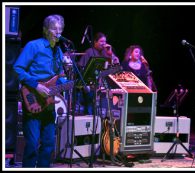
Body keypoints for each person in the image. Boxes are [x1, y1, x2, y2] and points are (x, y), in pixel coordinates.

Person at [13, 14, 68, 167]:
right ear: (45, 30)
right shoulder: (33, 46)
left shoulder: (58, 52)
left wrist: (74, 83)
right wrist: (37, 85)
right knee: (31, 145)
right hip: (32, 98)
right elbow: (17, 68)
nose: (58, 32)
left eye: (60, 29)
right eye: (54, 29)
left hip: (49, 104)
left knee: (49, 144)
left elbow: (59, 78)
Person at [77, 32, 120, 115]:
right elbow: (81, 67)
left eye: (105, 41)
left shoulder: (106, 53)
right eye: (101, 41)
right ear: (95, 42)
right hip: (90, 86)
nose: (103, 44)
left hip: (101, 87)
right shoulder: (89, 51)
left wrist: (110, 53)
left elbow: (116, 65)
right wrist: (86, 85)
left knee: (100, 110)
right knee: (89, 109)